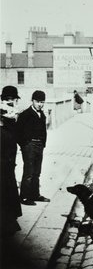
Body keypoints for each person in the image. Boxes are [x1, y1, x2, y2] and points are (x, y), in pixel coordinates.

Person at [17, 90, 50, 205]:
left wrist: (43, 143)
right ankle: (24, 197)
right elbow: (18, 132)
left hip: (39, 145)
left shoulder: (42, 115)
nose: (40, 104)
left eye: (42, 102)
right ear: (32, 101)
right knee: (29, 172)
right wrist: (25, 145)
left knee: (37, 172)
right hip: (29, 145)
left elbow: (44, 131)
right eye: (38, 102)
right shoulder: (25, 114)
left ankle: (35, 194)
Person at [0, 86, 22, 236]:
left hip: (9, 156)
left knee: (9, 188)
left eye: (13, 99)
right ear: (3, 99)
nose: (11, 102)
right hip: (2, 157)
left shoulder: (13, 114)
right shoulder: (3, 111)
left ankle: (10, 220)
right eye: (8, 99)